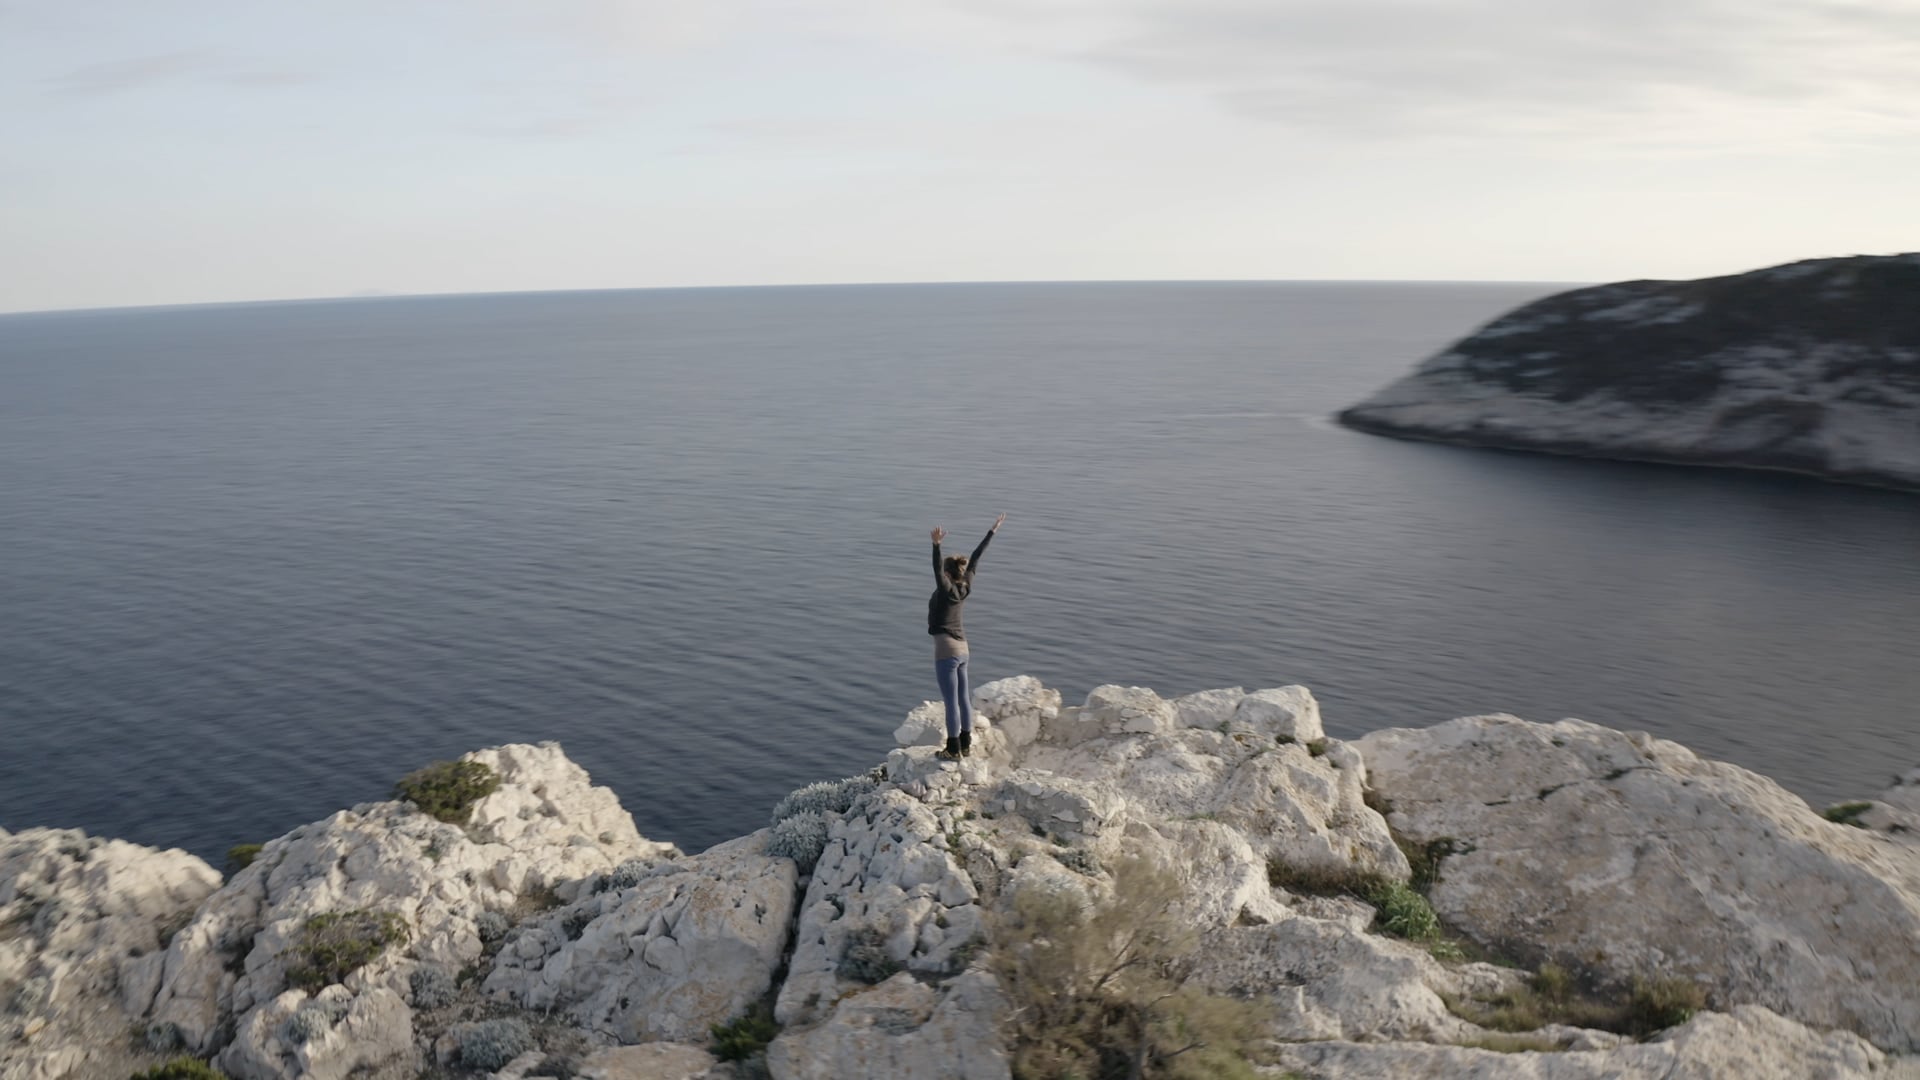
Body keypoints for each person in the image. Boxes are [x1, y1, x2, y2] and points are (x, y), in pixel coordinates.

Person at [928, 513, 1004, 759]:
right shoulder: (965, 586)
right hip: (964, 650)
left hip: (947, 651)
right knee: (963, 698)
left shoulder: (948, 589)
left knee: (951, 701)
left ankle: (952, 749)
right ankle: (966, 743)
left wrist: (936, 546)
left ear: (948, 575)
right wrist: (991, 533)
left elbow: (936, 570)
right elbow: (975, 560)